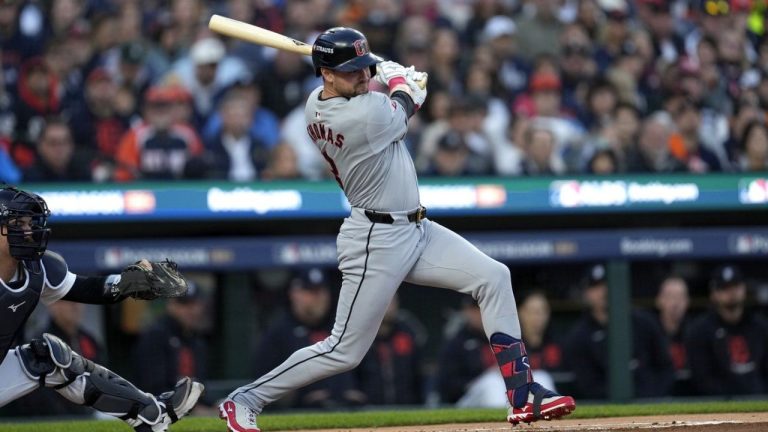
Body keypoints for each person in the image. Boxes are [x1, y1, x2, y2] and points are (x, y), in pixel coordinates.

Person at [219, 27, 575, 432]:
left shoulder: (315, 104)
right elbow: (409, 100)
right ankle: (243, 399)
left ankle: (522, 393)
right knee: (343, 351)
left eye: (364, 69)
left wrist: (387, 75)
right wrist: (403, 79)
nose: (362, 76)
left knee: (494, 276)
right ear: (326, 75)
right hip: (376, 238)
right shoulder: (364, 115)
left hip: (416, 227)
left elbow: (391, 94)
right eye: (351, 71)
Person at [0, 185, 203, 431]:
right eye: (18, 223)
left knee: (46, 357)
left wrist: (127, 283)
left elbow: (87, 289)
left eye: (29, 223)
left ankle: (151, 414)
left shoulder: (39, 269)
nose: (29, 231)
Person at [250, 268, 364, 410]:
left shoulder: (342, 326)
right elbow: (263, 384)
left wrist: (356, 394)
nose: (318, 298)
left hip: (350, 411)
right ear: (294, 294)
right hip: (299, 414)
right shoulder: (278, 333)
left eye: (321, 291)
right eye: (310, 292)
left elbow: (366, 371)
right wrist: (299, 397)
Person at [565, 264, 675, 399]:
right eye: (596, 287)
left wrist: (652, 395)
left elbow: (666, 367)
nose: (604, 291)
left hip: (651, 400)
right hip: (608, 408)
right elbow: (588, 385)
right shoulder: (579, 336)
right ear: (586, 294)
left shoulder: (644, 322)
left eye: (607, 284)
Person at [686, 264, 768, 396]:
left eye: (735, 286)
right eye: (724, 288)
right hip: (720, 405)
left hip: (760, 399)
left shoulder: (760, 326)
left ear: (743, 288)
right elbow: (702, 379)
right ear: (714, 294)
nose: (731, 292)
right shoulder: (700, 330)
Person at [134, 281, 212, 408]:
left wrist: (210, 406)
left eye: (194, 304)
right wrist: (193, 409)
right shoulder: (156, 335)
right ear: (171, 305)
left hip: (189, 406)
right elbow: (154, 389)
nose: (191, 310)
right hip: (156, 410)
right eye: (184, 304)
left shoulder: (197, 340)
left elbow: (201, 387)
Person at [356, 294, 426, 406]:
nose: (390, 305)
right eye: (385, 300)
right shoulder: (360, 337)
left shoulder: (407, 333)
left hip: (407, 409)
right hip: (368, 410)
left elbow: (418, 376)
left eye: (393, 300)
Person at [654, 276, 693, 395]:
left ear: (687, 302)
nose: (675, 303)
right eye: (670, 296)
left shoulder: (695, 331)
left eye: (680, 297)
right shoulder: (649, 332)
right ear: (659, 300)